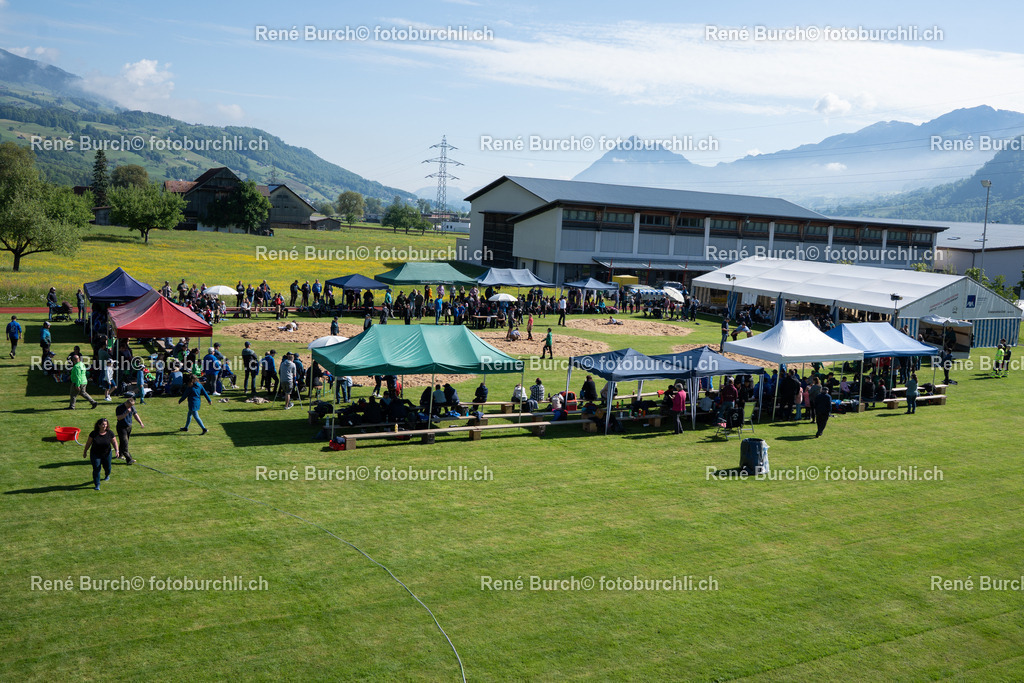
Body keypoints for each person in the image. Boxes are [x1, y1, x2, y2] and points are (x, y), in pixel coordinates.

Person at [83, 417, 119, 491]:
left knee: (108, 467)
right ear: (99, 425)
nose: (104, 426)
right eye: (103, 424)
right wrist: (85, 451)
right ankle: (97, 484)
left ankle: (107, 474)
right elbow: (88, 443)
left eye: (106, 424)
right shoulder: (93, 433)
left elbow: (114, 442)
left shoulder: (110, 433)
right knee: (96, 468)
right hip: (95, 454)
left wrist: (117, 451)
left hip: (107, 454)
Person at [114, 397, 143, 465]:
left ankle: (120, 455)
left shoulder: (132, 407)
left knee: (123, 442)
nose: (131, 407)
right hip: (121, 427)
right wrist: (126, 413)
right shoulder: (120, 407)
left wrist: (140, 422)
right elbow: (119, 418)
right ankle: (129, 459)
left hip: (129, 427)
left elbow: (135, 415)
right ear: (126, 403)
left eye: (132, 405)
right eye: (130, 405)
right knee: (125, 443)